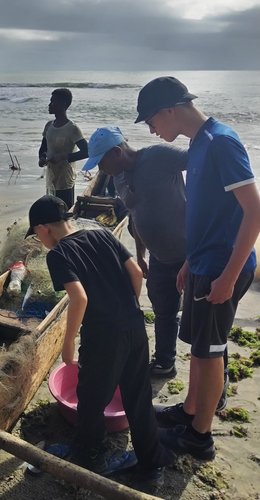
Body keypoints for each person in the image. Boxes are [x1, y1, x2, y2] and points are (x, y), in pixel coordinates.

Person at [135, 76, 260, 460]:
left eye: (152, 120)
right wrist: (192, 259)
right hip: (205, 262)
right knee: (200, 349)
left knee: (210, 352)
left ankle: (199, 436)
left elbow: (254, 211)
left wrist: (226, 276)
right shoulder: (199, 143)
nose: (153, 129)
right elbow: (210, 211)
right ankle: (190, 410)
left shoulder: (221, 142)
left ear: (170, 109)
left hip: (223, 266)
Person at [26, 195, 175, 488]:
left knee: (91, 400)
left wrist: (68, 343)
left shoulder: (58, 254)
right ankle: (150, 465)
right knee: (138, 397)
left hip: (103, 336)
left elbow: (79, 297)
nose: (41, 241)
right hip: (134, 325)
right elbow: (136, 272)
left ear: (44, 229)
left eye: (38, 235)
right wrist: (127, 308)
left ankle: (91, 458)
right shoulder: (102, 234)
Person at [82, 126, 187, 378]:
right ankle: (165, 361)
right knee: (163, 310)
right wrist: (141, 255)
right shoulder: (118, 176)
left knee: (204, 321)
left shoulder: (159, 156)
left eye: (102, 163)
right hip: (158, 256)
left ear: (117, 152)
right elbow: (135, 215)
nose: (101, 170)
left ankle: (219, 377)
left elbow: (204, 161)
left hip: (190, 254)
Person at [38, 88, 88, 209]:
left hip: (65, 178)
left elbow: (86, 152)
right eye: (50, 101)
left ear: (63, 104)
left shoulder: (72, 128)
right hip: (51, 176)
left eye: (53, 102)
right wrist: (42, 157)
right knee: (51, 208)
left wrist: (64, 157)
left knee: (64, 209)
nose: (49, 105)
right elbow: (43, 147)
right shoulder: (49, 126)